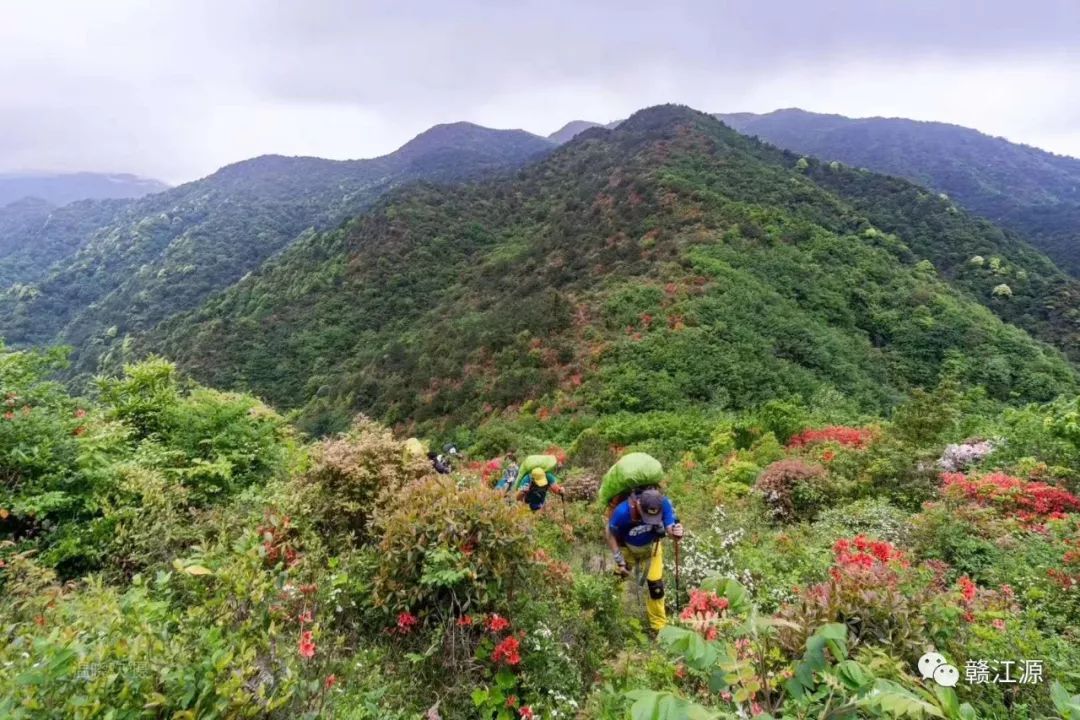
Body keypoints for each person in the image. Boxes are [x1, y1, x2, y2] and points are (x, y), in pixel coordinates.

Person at [605, 487, 684, 632]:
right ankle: (607, 611)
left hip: (651, 550)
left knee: (656, 588)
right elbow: (610, 534)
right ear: (639, 504)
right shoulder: (623, 512)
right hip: (627, 550)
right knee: (617, 579)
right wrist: (619, 559)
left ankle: (659, 629)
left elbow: (670, 530)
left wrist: (677, 533)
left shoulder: (664, 504)